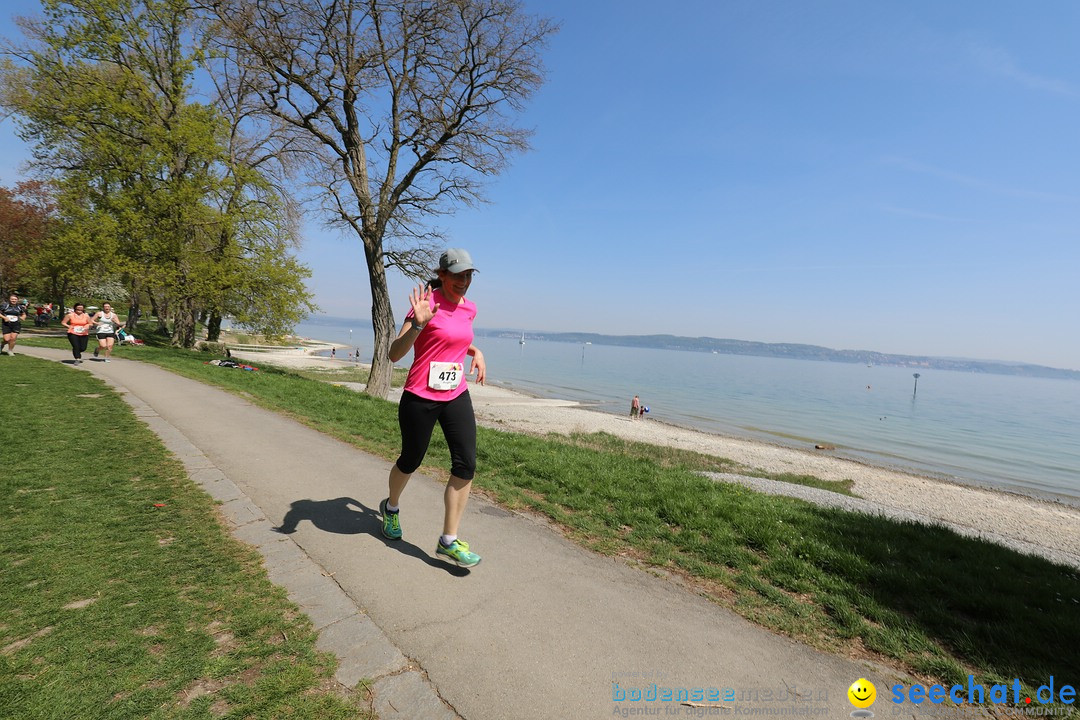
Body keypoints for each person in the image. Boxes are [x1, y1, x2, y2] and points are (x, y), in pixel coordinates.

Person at [379, 248, 486, 568]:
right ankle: (391, 508)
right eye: (457, 275)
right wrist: (417, 325)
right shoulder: (424, 305)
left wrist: (475, 351)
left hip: (456, 394)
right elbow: (394, 354)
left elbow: (453, 337)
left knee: (466, 464)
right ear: (442, 275)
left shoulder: (470, 308)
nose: (464, 281)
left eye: (468, 275)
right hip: (420, 396)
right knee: (410, 460)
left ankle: (449, 540)